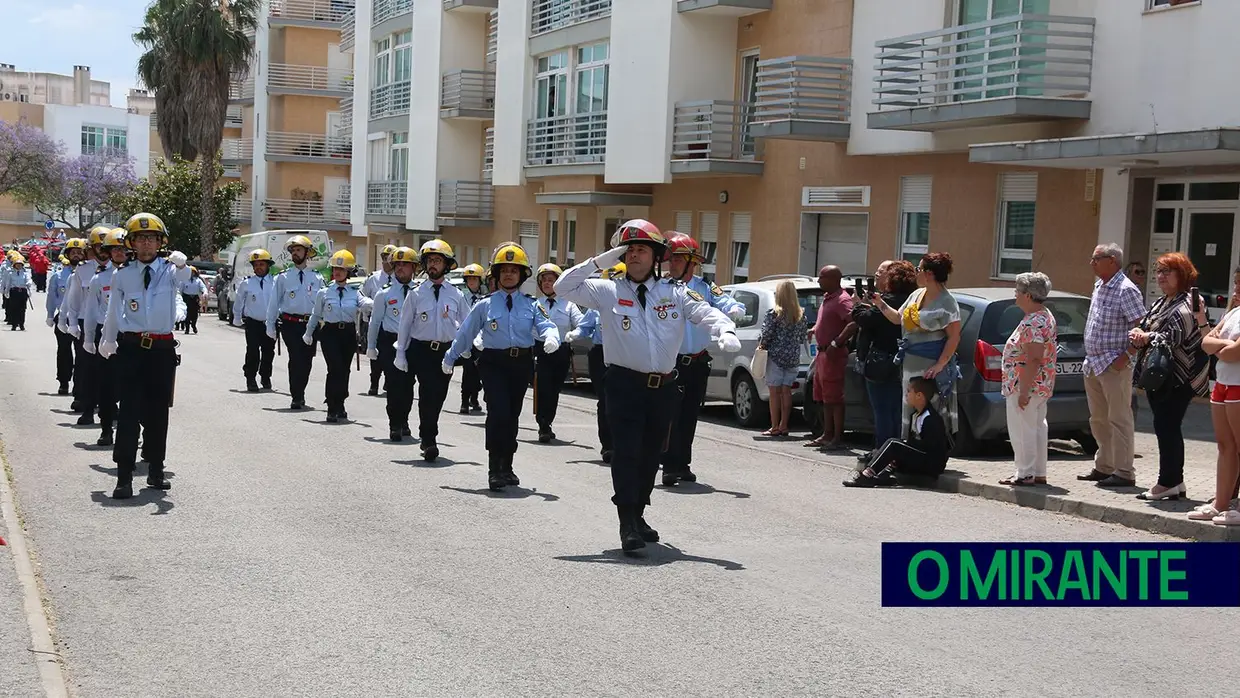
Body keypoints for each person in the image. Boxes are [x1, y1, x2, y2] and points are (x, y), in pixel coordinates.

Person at [555, 220, 740, 551]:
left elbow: (706, 312)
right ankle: (626, 521)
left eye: (643, 249)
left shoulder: (675, 291)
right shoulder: (608, 289)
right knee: (626, 453)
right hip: (624, 384)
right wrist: (599, 262)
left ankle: (638, 512)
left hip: (663, 387)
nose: (636, 255)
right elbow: (562, 287)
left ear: (657, 256)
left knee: (651, 454)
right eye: (631, 250)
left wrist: (724, 331)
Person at [443, 243, 558, 490]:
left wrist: (551, 337)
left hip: (521, 364)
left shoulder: (531, 304)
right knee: (498, 412)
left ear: (521, 275)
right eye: (503, 270)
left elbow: (547, 325)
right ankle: (494, 467)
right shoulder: (485, 305)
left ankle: (507, 465)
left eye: (513, 270)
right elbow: (466, 332)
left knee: (512, 415)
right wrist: (450, 357)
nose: (508, 274)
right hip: (493, 363)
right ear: (496, 275)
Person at [98, 213, 187, 499]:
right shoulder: (122, 274)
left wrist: (182, 263)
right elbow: (113, 312)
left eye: (152, 238)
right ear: (132, 243)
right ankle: (124, 476)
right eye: (140, 238)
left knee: (158, 413)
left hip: (161, 350)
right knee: (129, 413)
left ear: (161, 242)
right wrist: (107, 340)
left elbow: (185, 283)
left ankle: (156, 470)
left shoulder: (171, 271)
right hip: (132, 348)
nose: (146, 243)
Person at [661, 233, 745, 484]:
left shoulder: (705, 286)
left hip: (697, 362)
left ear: (691, 262)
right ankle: (668, 464)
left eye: (677, 259)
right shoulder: (661, 287)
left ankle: (682, 464)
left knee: (689, 415)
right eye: (670, 259)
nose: (671, 264)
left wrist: (733, 309)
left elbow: (725, 300)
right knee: (670, 414)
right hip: (671, 362)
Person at [1128, 253, 1210, 500]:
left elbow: (1175, 336)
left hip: (1179, 377)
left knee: (1167, 427)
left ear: (1182, 275)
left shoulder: (1189, 303)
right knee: (1164, 427)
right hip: (1161, 376)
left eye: (1167, 272)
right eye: (1159, 271)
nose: (1161, 277)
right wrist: (1138, 331)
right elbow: (1147, 323)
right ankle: (1175, 482)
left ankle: (1168, 482)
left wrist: (1146, 337)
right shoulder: (1162, 301)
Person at [1077, 243, 1147, 487]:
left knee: (1119, 418)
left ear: (1112, 261)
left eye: (1096, 258)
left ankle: (1124, 472)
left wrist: (1126, 356)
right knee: (1098, 419)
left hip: (1114, 364)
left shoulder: (1126, 289)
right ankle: (1104, 465)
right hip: (1094, 363)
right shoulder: (1099, 285)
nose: (1091, 262)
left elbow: (1141, 326)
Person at [870, 253, 962, 437]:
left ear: (929, 274)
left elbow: (954, 338)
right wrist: (880, 304)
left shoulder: (947, 302)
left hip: (930, 367)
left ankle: (929, 452)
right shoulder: (916, 294)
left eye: (919, 269)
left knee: (930, 408)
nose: (916, 273)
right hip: (910, 364)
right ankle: (908, 449)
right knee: (909, 408)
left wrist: (940, 365)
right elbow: (898, 318)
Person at [394, 240, 467, 460]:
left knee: (437, 397)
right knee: (425, 394)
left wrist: (469, 347)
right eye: (430, 261)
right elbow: (405, 325)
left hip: (444, 352)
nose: (433, 265)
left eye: (438, 260)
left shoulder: (456, 294)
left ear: (447, 265)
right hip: (420, 350)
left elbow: (467, 323)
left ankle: (427, 433)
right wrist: (400, 353)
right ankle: (429, 440)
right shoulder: (416, 294)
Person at [851, 260, 917, 463]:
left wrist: (857, 305)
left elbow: (865, 319)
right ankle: (895, 450)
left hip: (881, 361)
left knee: (882, 410)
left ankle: (883, 452)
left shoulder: (888, 301)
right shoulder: (912, 301)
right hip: (905, 361)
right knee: (897, 410)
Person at [998, 272, 1058, 487]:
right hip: (1040, 384)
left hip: (1027, 385)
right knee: (1037, 427)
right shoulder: (1044, 315)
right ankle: (1038, 471)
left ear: (1028, 295)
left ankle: (1025, 473)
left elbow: (1033, 358)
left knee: (1022, 429)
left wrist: (1023, 391)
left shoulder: (1033, 322)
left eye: (1018, 291)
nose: (1015, 294)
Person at [842, 377, 949, 487]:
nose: (906, 395)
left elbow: (931, 448)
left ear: (919, 396)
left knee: (894, 444)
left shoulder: (931, 418)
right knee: (883, 451)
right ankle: (882, 476)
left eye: (909, 391)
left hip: (932, 465)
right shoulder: (915, 415)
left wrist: (904, 446)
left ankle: (866, 475)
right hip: (921, 458)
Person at [305, 250, 371, 423]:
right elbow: (316, 315)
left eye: (341, 269)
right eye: (335, 269)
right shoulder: (324, 292)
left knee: (345, 370)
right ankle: (331, 406)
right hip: (330, 334)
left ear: (348, 272)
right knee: (335, 368)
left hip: (348, 334)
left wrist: (377, 302)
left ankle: (341, 402)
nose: (337, 272)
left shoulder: (355, 292)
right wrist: (308, 333)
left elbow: (364, 304)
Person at [569, 262, 626, 463]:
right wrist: (575, 333)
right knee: (605, 400)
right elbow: (586, 326)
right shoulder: (599, 305)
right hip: (600, 354)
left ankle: (624, 444)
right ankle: (608, 445)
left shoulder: (631, 304)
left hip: (623, 355)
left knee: (625, 402)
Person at [80, 229, 129, 447]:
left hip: (131, 336)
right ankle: (106, 429)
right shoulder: (99, 279)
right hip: (106, 334)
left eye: (123, 248)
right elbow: (90, 311)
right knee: (106, 387)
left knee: (132, 388)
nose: (119, 252)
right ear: (108, 252)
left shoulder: (138, 275)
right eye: (115, 249)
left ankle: (132, 432)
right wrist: (89, 338)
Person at [366, 246, 420, 441]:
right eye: (397, 265)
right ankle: (394, 424)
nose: (400, 269)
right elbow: (375, 322)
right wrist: (371, 347)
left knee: (408, 385)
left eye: (405, 265)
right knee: (394, 385)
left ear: (413, 267)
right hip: (390, 342)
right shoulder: (384, 294)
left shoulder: (420, 291)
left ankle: (404, 419)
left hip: (413, 343)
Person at [266, 235, 325, 410]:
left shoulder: (317, 277)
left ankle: (301, 391)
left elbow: (323, 302)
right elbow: (273, 302)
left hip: (310, 325)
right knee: (296, 358)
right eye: (293, 251)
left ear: (307, 253)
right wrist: (270, 325)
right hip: (290, 323)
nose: (295, 253)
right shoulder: (283, 277)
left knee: (307, 360)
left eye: (299, 250)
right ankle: (296, 395)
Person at [530, 263, 582, 443]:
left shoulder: (569, 305)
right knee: (542, 387)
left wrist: (575, 333)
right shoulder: (535, 305)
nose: (546, 284)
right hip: (541, 350)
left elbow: (581, 323)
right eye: (543, 281)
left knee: (554, 390)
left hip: (561, 352)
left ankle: (548, 421)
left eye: (550, 280)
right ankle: (542, 424)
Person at [806, 265, 856, 450]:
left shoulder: (842, 300)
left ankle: (836, 437)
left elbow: (852, 323)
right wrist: (815, 329)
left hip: (833, 354)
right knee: (823, 397)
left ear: (834, 280)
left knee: (834, 398)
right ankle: (826, 434)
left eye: (822, 277)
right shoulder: (828, 298)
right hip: (822, 354)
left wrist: (837, 342)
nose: (819, 281)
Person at [60, 229, 109, 413]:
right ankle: (83, 399)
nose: (103, 250)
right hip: (85, 322)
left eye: (106, 247)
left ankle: (106, 402)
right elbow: (74, 298)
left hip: (108, 323)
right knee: (85, 364)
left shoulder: (119, 268)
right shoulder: (83, 269)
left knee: (108, 367)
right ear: (92, 248)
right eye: (98, 246)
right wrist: (71, 321)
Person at [758, 280, 805, 437]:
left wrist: (762, 345)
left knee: (774, 392)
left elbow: (767, 334)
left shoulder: (774, 313)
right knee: (786, 392)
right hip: (792, 357)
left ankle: (774, 426)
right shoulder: (800, 314)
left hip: (776, 356)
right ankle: (785, 425)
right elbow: (802, 337)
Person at [231, 249, 277, 392]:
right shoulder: (247, 283)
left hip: (270, 323)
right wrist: (237, 317)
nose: (258, 267)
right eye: (256, 265)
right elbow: (239, 302)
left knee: (269, 351)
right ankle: (250, 378)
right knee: (252, 351)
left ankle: (265, 376)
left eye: (261, 264)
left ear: (268, 265)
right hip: (253, 322)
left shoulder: (276, 282)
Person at [360, 245, 398, 396]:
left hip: (392, 323)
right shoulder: (373, 278)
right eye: (383, 258)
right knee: (375, 354)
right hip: (375, 322)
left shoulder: (400, 279)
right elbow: (362, 296)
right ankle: (374, 383)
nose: (385, 262)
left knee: (391, 354)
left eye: (388, 259)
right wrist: (369, 306)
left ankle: (389, 382)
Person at [47, 243, 81, 396]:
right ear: (67, 255)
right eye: (73, 252)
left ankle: (80, 385)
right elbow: (51, 297)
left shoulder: (90, 274)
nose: (76, 255)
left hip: (82, 319)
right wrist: (49, 314)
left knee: (83, 354)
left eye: (79, 252)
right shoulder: (58, 276)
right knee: (64, 352)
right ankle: (63, 382)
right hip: (63, 318)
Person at [457, 263, 487, 414]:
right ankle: (464, 401)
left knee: (478, 370)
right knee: (468, 370)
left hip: (481, 340)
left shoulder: (484, 298)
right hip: (466, 338)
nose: (472, 282)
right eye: (469, 279)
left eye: (474, 279)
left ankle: (474, 398)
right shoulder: (461, 297)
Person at [1, 255, 34, 331]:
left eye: (20, 265)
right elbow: (8, 283)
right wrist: (6, 292)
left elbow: (29, 280)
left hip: (22, 292)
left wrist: (28, 284)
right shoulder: (10, 273)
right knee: (14, 309)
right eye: (17, 264)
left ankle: (21, 324)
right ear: (14, 265)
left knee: (22, 309)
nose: (19, 266)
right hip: (14, 292)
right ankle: (14, 324)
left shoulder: (25, 273)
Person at [179, 267, 207, 334]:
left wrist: (205, 292)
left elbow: (203, 287)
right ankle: (187, 328)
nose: (191, 273)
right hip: (186, 298)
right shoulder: (184, 280)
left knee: (195, 314)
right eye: (190, 272)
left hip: (195, 298)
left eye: (193, 272)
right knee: (187, 314)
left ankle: (193, 325)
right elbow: (180, 290)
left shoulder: (198, 281)